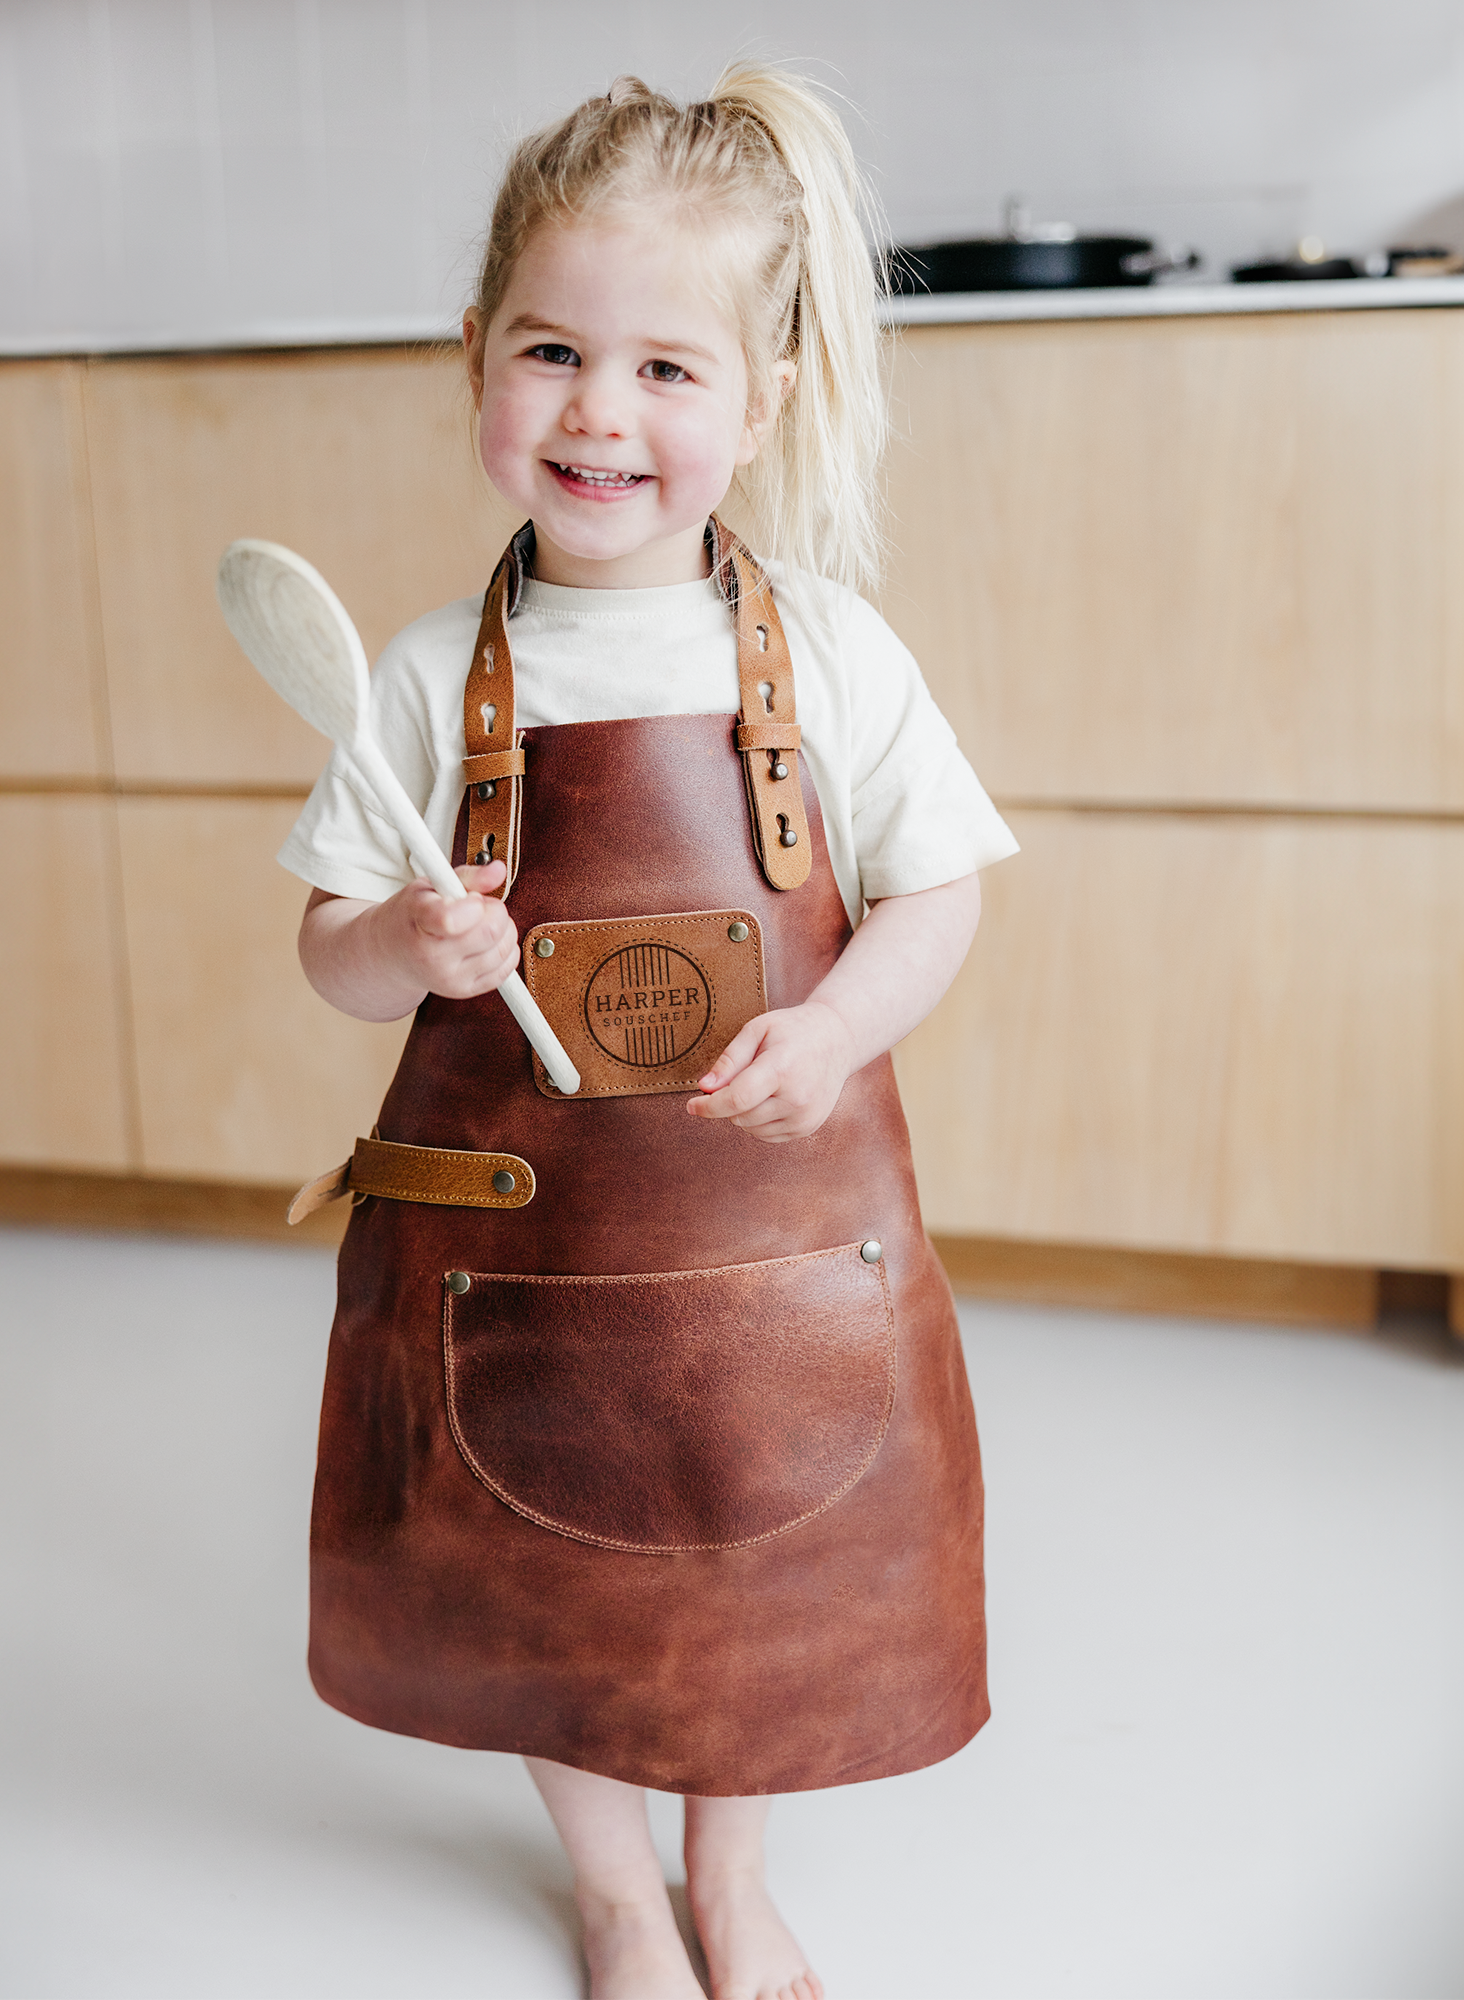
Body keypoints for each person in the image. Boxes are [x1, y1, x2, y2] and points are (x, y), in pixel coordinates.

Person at [279, 65, 1017, 2000]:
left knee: (750, 1580)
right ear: (477, 361)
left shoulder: (832, 658)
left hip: (771, 1262)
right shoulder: (430, 680)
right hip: (522, 1262)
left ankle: (731, 1876)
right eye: (553, 351)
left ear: (759, 403)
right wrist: (408, 942)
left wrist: (839, 1024)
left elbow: (939, 896)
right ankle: (611, 1885)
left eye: (669, 371)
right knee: (552, 1585)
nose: (603, 411)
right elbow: (328, 956)